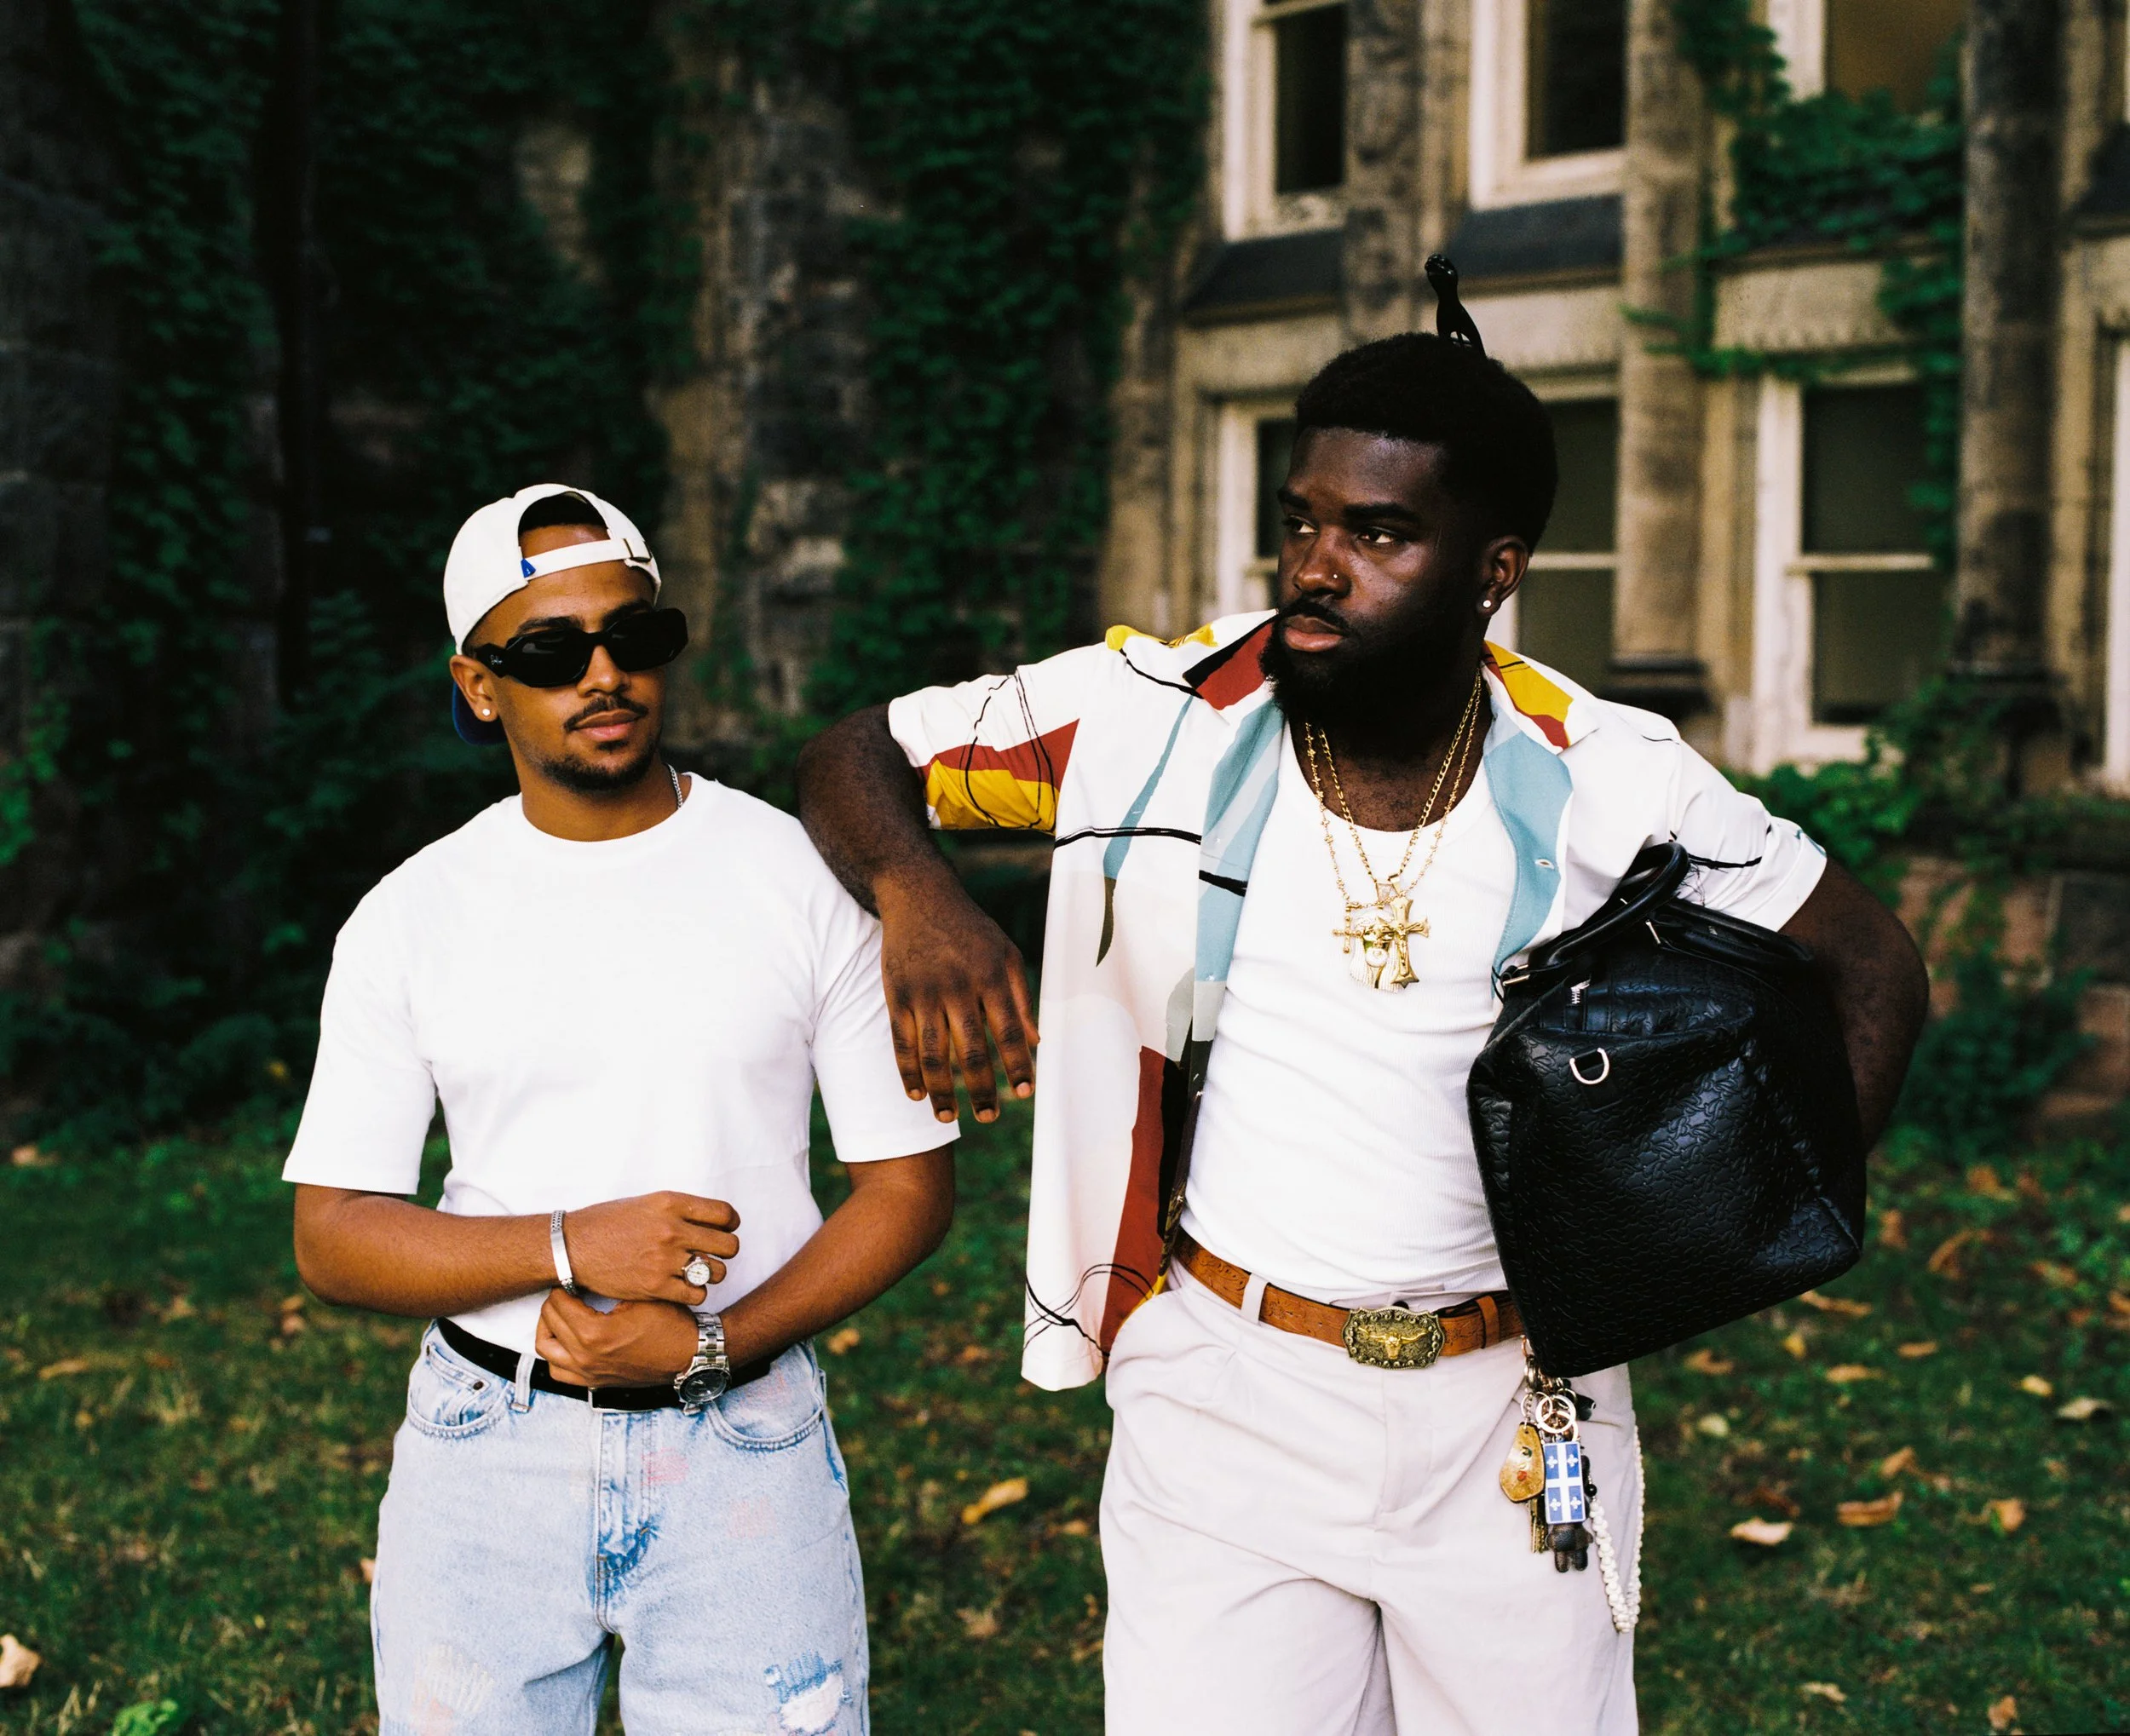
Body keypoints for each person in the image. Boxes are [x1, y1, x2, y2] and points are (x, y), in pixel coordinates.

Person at [795, 334, 1928, 1733]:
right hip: (1225, 1387)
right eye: (1302, 522)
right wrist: (925, 900)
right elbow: (857, 756)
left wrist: (1723, 1233)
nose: (1317, 568)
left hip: (1515, 1407)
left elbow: (1870, 963)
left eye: (1379, 533)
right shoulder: (1153, 714)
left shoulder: (1605, 774)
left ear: (1494, 569)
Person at [284, 483, 953, 1736]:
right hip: (487, 1447)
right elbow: (332, 1233)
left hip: (745, 1442)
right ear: (480, 686)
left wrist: (718, 1340)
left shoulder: (799, 879)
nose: (603, 673)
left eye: (632, 637)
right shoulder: (411, 915)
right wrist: (565, 1243)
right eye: (550, 651)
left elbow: (910, 1187)